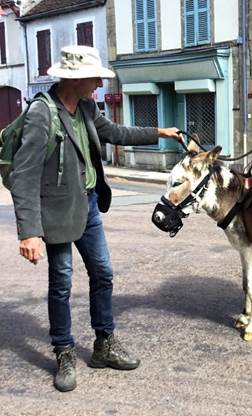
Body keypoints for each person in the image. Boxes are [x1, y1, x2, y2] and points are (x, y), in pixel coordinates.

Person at [9, 45, 183, 392]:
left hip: (88, 205)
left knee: (103, 273)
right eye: (95, 79)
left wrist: (160, 133)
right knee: (61, 283)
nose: (100, 85)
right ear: (76, 78)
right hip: (57, 211)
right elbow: (24, 175)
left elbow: (117, 133)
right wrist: (29, 232)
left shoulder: (87, 107)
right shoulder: (42, 113)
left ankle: (104, 345)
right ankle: (64, 351)